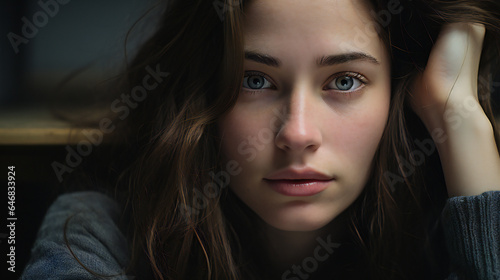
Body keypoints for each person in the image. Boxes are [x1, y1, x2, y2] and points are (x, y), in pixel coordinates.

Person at [21, 0, 500, 279]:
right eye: (255, 81)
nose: (297, 134)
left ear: (397, 93)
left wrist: (459, 116)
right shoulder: (97, 230)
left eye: (344, 81)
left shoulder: (438, 231)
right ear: (202, 92)